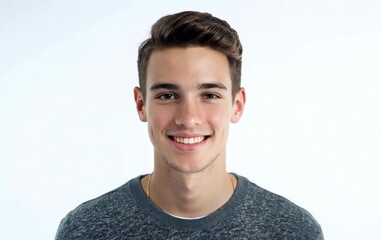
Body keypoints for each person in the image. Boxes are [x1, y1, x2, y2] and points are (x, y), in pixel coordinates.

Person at [55, 11, 324, 239]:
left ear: (237, 105)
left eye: (209, 95)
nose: (188, 117)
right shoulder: (85, 230)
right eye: (167, 96)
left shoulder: (291, 230)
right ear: (141, 105)